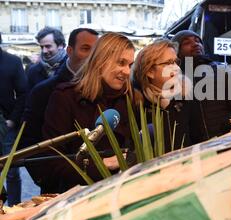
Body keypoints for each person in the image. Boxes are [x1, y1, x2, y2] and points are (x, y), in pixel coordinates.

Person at [40, 32, 135, 193]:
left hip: (120, 193)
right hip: (78, 197)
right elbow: (52, 161)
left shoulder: (128, 99)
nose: (127, 71)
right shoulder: (65, 97)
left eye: (130, 65)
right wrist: (103, 165)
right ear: (100, 61)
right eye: (121, 63)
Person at [21, 28, 98, 190]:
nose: (92, 56)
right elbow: (28, 140)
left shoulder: (101, 87)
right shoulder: (44, 90)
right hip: (59, 188)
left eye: (96, 50)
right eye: (85, 49)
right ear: (70, 50)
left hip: (94, 183)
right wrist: (45, 179)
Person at [172, 30, 231, 139]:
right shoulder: (174, 78)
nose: (195, 44)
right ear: (177, 51)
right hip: (194, 148)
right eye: (187, 43)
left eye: (198, 41)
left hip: (226, 142)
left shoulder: (222, 71)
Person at [133, 40, 204, 151]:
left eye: (176, 62)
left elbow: (199, 138)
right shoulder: (138, 105)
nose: (177, 68)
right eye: (169, 63)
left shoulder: (187, 98)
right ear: (150, 71)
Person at [0, 32, 27, 206]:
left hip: (7, 123)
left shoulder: (13, 61)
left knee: (11, 170)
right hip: (8, 122)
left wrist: (12, 121)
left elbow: (23, 93)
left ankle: (15, 207)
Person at [27, 27, 67, 91]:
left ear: (60, 45)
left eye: (48, 46)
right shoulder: (33, 71)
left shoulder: (73, 67)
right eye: (41, 47)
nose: (44, 51)